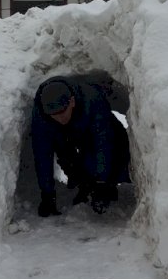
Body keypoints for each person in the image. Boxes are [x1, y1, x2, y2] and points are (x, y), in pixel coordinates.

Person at [31, 75, 131, 216]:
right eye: (54, 114)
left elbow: (103, 143)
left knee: (101, 152)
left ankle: (107, 185)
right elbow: (42, 152)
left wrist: (102, 183)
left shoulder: (93, 100)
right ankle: (84, 185)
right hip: (69, 135)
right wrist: (47, 195)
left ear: (71, 102)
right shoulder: (42, 113)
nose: (59, 117)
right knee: (64, 150)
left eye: (62, 112)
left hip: (97, 131)